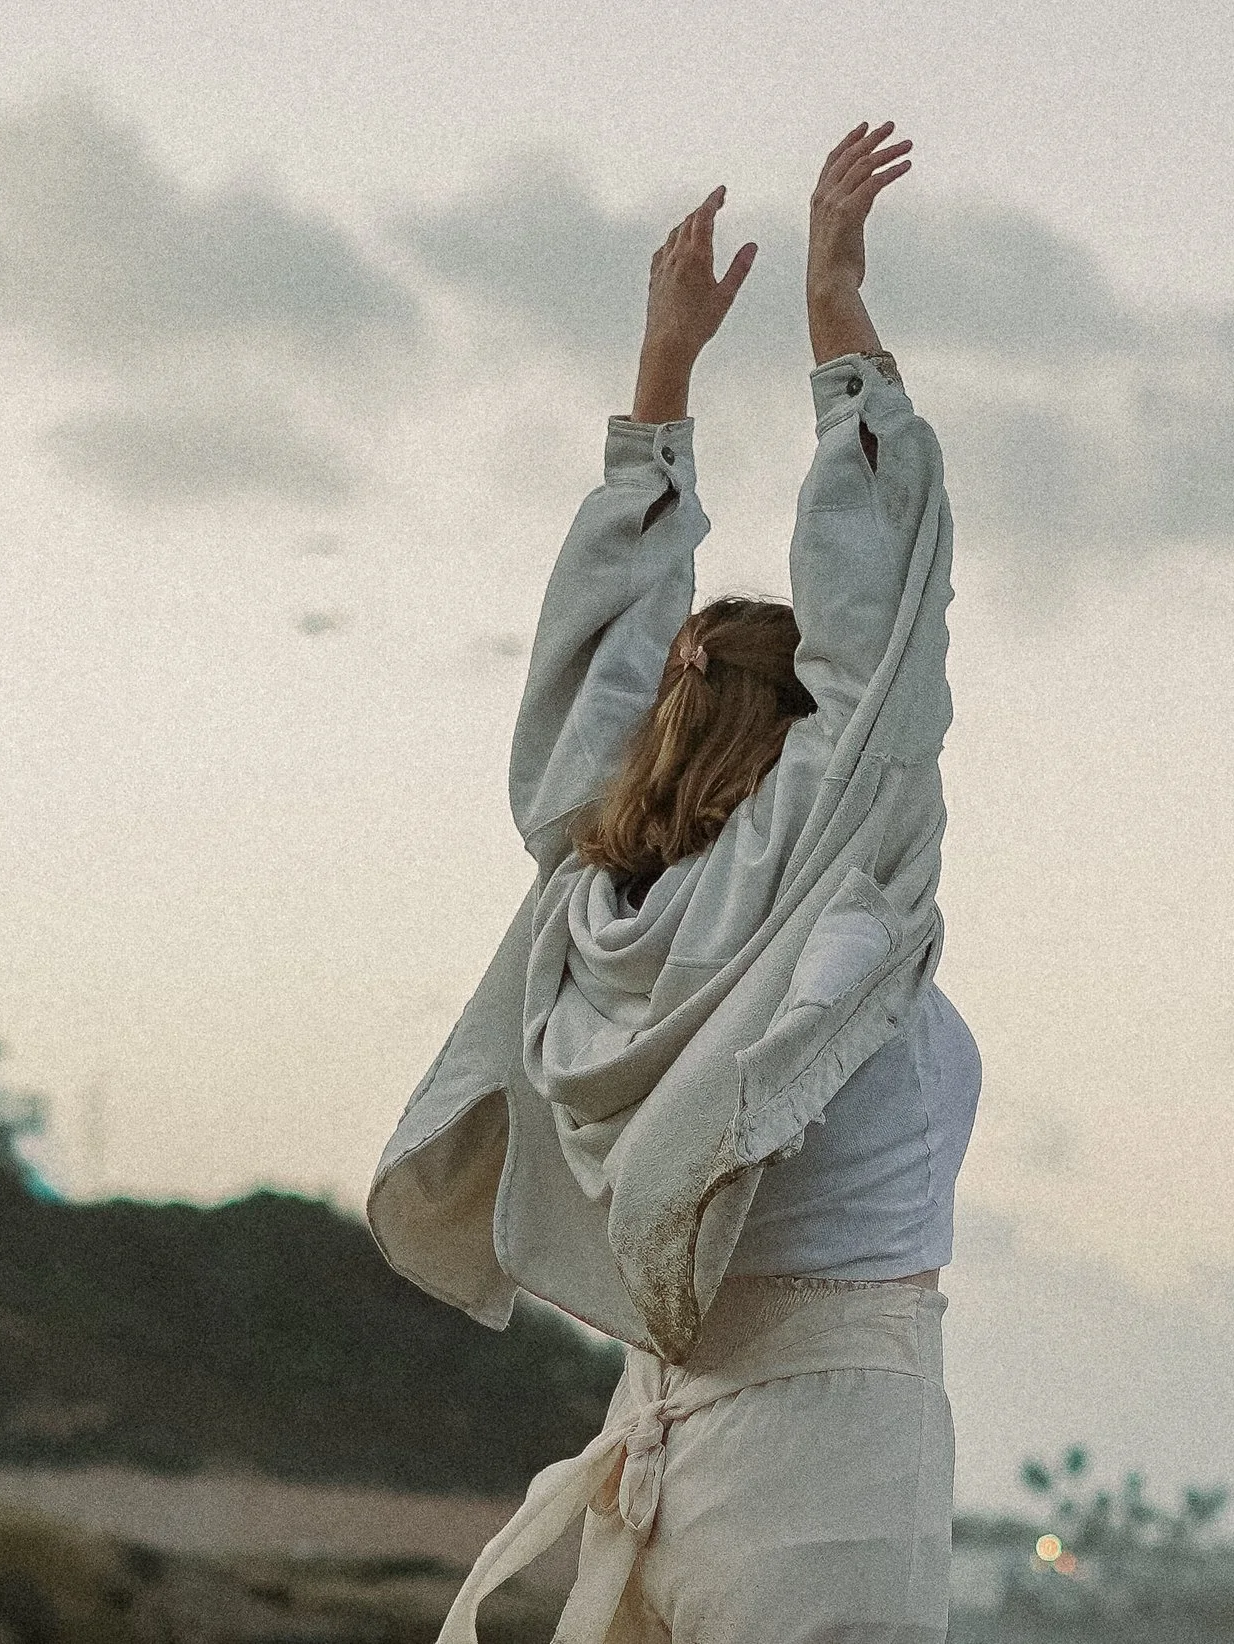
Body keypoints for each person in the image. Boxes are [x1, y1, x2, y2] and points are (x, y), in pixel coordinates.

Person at [367, 121, 975, 1643]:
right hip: (831, 1464)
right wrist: (835, 315)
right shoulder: (817, 879)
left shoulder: (589, 912)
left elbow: (587, 706)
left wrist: (662, 388)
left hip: (671, 1445)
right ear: (804, 739)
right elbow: (883, 623)